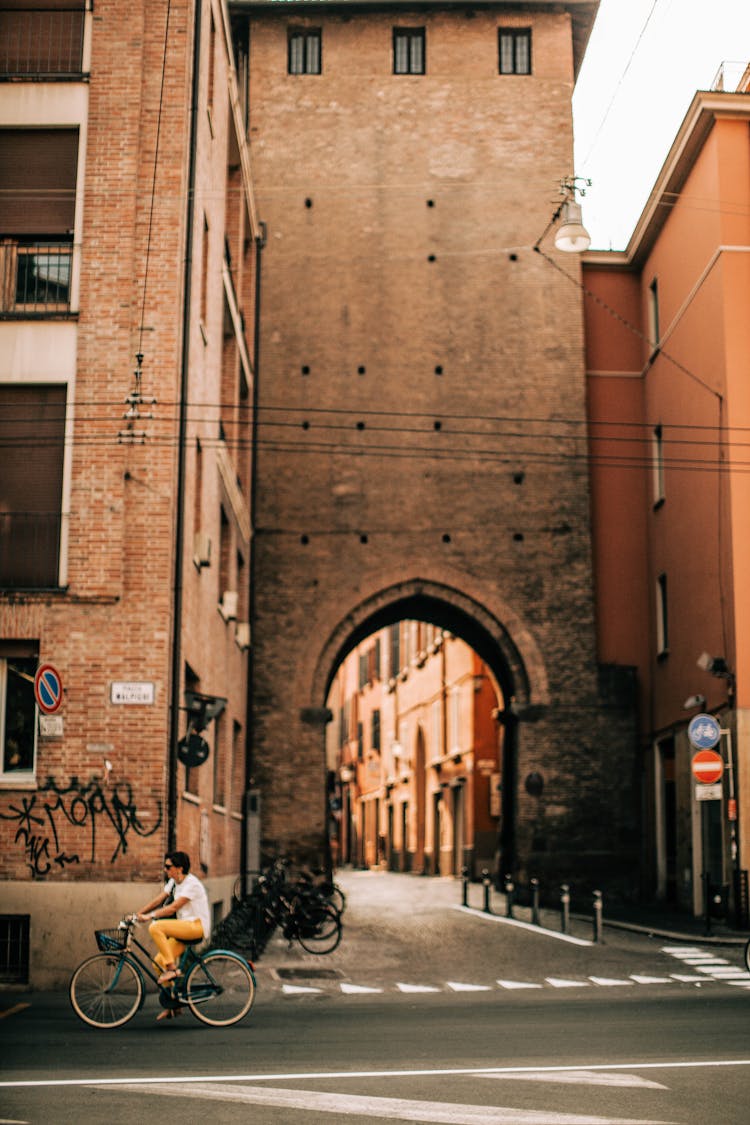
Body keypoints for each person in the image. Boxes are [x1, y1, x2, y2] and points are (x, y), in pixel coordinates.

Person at [136, 850, 211, 1021]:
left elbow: (173, 908)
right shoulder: (174, 882)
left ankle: (172, 970)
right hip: (183, 927)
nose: (165, 869)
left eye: (168, 867)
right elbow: (159, 900)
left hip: (195, 927)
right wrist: (138, 914)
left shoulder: (192, 884)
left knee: (156, 927)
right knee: (159, 963)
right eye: (165, 866)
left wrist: (150, 917)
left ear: (179, 868)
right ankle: (174, 1006)